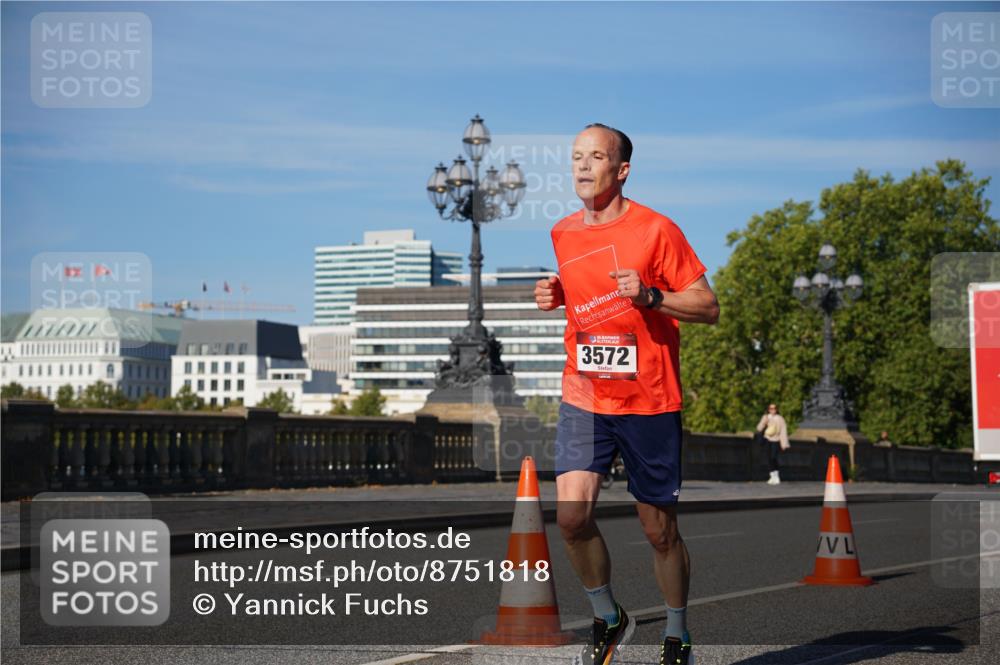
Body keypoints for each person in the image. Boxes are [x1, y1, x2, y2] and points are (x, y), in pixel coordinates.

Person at [535, 123, 719, 665]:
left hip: (650, 401)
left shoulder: (657, 230)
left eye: (596, 157)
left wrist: (653, 295)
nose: (583, 167)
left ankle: (677, 631)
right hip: (585, 394)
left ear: (622, 170)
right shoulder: (563, 232)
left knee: (658, 530)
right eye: (576, 157)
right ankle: (608, 617)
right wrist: (557, 293)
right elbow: (587, 294)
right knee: (570, 517)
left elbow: (707, 306)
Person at [756, 403, 790, 484]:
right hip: (767, 439)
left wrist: (784, 443)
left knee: (773, 457)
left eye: (774, 408)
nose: (772, 410)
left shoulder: (780, 419)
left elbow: (783, 431)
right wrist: (764, 422)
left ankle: (776, 475)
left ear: (776, 409)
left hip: (776, 440)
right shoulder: (766, 417)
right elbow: (759, 428)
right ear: (768, 409)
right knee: (768, 458)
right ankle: (772, 475)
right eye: (771, 408)